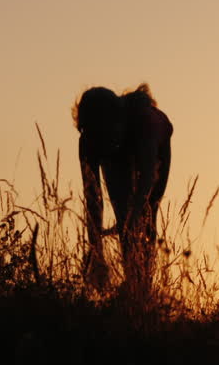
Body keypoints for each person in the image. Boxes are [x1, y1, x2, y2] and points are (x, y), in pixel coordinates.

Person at [74, 84, 173, 293]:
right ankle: (130, 286)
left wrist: (130, 220)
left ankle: (140, 286)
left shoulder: (146, 123)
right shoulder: (88, 140)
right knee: (123, 214)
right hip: (121, 147)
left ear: (117, 120)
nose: (102, 143)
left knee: (145, 213)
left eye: (105, 136)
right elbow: (92, 197)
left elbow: (147, 182)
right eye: (96, 137)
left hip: (153, 147)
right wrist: (96, 253)